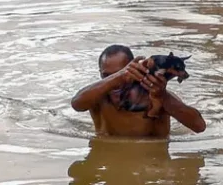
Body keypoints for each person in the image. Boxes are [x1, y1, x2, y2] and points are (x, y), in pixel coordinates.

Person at [70, 44, 206, 138]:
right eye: (108, 76)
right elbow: (77, 104)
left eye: (122, 73)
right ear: (101, 74)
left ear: (137, 70)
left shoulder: (155, 95)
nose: (117, 83)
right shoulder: (97, 94)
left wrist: (163, 97)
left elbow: (199, 126)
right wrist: (118, 77)